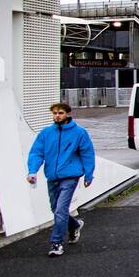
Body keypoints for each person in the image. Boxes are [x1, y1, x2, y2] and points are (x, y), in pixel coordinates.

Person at [26, 102, 95, 257]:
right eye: (55, 113)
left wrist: (88, 174)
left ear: (68, 114)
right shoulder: (46, 133)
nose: (57, 116)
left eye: (61, 113)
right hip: (52, 176)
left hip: (70, 176)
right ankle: (75, 225)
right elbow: (36, 153)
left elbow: (87, 153)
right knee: (55, 209)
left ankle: (56, 243)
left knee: (60, 209)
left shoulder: (79, 133)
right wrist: (32, 171)